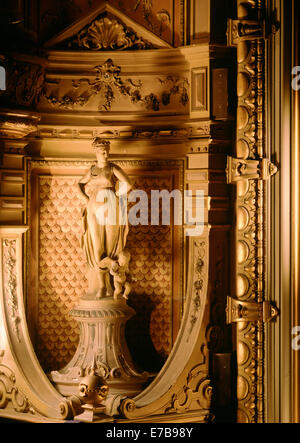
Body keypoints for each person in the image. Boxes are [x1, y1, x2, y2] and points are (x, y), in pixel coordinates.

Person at [78, 138, 132, 299]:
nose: (106, 153)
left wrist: (116, 196)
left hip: (110, 206)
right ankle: (101, 285)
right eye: (102, 150)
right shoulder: (92, 170)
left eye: (107, 150)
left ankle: (111, 285)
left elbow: (128, 184)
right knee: (97, 246)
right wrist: (86, 199)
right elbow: (80, 184)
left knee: (111, 246)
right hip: (93, 207)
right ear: (96, 151)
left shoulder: (112, 168)